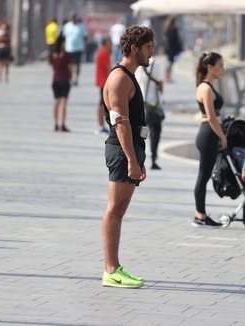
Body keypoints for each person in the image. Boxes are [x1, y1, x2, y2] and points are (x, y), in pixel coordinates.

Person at [101, 25, 155, 288]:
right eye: (148, 47)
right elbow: (120, 122)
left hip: (130, 149)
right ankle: (111, 269)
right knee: (115, 209)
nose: (151, 52)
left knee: (118, 209)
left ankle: (115, 267)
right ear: (134, 49)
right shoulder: (120, 78)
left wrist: (138, 157)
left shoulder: (129, 76)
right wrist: (132, 160)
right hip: (122, 150)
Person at [192, 52, 227, 228]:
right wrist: (222, 136)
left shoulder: (208, 87)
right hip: (208, 134)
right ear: (210, 67)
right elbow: (211, 117)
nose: (222, 69)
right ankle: (200, 215)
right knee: (203, 175)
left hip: (210, 133)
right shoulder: (205, 88)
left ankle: (201, 214)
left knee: (204, 175)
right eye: (220, 65)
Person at [135, 57, 165, 170]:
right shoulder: (156, 64)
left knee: (142, 133)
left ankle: (139, 158)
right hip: (153, 105)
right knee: (154, 133)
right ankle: (153, 159)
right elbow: (161, 84)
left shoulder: (137, 63)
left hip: (141, 105)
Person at [50, 35, 72, 132]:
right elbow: (70, 68)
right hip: (64, 80)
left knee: (56, 102)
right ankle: (62, 124)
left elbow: (53, 67)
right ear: (62, 43)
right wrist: (71, 76)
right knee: (63, 103)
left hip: (55, 80)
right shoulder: (66, 55)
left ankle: (55, 123)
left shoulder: (53, 55)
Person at [62, 12, 87, 86]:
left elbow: (85, 37)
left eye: (74, 18)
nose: (73, 20)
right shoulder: (66, 26)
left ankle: (76, 79)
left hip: (78, 48)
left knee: (77, 64)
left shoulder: (81, 26)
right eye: (71, 18)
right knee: (70, 65)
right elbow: (63, 38)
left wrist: (84, 46)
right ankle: (70, 78)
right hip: (69, 48)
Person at [95, 37, 112, 134]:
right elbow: (108, 68)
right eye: (110, 42)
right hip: (104, 81)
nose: (111, 45)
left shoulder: (101, 52)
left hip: (101, 81)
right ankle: (101, 125)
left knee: (102, 103)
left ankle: (101, 124)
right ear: (106, 43)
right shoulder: (105, 53)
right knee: (102, 103)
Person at [163, 16, 183, 83]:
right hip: (173, 49)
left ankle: (167, 77)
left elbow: (167, 40)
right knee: (170, 64)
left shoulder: (167, 29)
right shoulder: (174, 29)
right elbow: (176, 40)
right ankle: (168, 77)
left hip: (169, 49)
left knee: (169, 63)